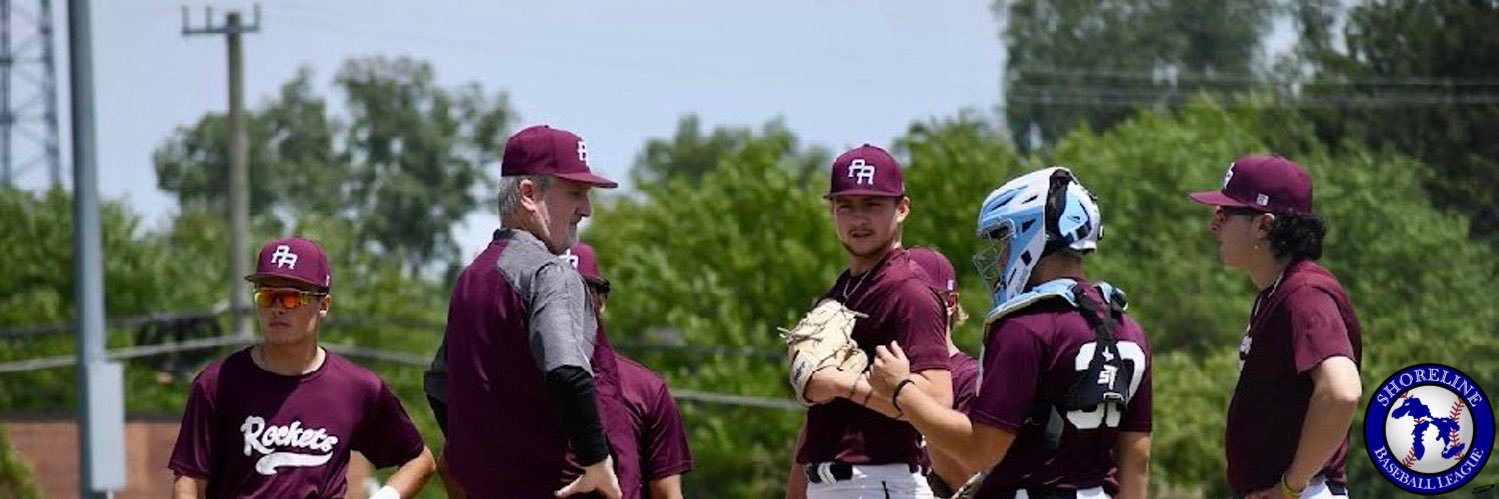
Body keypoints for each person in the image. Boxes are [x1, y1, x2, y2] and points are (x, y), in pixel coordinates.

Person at [870, 167, 1152, 499]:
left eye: (1005, 240)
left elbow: (980, 451)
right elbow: (1137, 459)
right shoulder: (1128, 328)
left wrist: (900, 390)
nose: (1002, 258)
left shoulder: (1024, 325)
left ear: (1032, 233)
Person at [431, 124, 624, 498]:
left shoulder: (471, 277)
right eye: (575, 193)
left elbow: (439, 384)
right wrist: (597, 461)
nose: (586, 210)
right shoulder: (550, 273)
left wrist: (478, 460)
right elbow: (568, 371)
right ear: (528, 194)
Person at [168, 237, 434, 499]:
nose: (277, 308)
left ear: (323, 305)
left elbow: (419, 460)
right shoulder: (218, 382)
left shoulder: (357, 388)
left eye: (291, 298)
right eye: (267, 296)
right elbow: (188, 481)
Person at [1188, 155, 1362, 499]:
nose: (1213, 225)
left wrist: (1291, 486)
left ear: (1264, 225)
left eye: (1224, 214)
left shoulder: (1305, 294)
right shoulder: (1280, 291)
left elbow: (1342, 392)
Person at [790, 144, 954, 498]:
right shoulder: (842, 290)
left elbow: (938, 402)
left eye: (872, 204)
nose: (858, 219)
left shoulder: (908, 290)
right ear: (832, 211)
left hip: (880, 482)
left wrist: (841, 383)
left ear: (902, 208)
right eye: (846, 206)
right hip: (831, 483)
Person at [566, 242, 694, 499]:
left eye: (579, 290)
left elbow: (667, 494)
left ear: (601, 301)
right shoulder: (507, 384)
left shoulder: (645, 390)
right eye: (552, 292)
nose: (565, 304)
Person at [905, 247, 982, 497]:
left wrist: (906, 397)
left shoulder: (971, 379)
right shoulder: (874, 373)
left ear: (950, 303)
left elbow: (970, 480)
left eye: (915, 296)